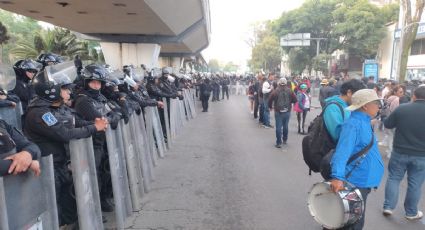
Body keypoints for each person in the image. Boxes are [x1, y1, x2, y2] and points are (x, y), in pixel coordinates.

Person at [24, 69, 108, 227]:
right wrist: (94, 128)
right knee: (55, 211)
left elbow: (75, 122)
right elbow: (64, 133)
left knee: (69, 208)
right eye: (64, 88)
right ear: (52, 91)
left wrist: (96, 123)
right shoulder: (40, 113)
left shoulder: (55, 108)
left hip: (60, 165)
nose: (69, 91)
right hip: (49, 169)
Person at [330, 89, 384, 230]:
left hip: (362, 181)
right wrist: (337, 177)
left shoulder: (364, 121)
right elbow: (342, 153)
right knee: (352, 223)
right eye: (376, 103)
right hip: (355, 181)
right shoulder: (353, 124)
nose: (379, 106)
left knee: (353, 220)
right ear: (365, 106)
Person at [73, 64, 121, 212]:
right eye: (93, 82)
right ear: (86, 83)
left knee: (105, 171)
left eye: (99, 82)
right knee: (94, 174)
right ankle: (94, 207)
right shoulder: (83, 100)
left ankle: (102, 199)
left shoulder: (100, 97)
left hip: (103, 141)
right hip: (91, 143)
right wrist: (111, 118)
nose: (96, 85)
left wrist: (112, 117)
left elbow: (116, 111)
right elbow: (100, 119)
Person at [382, 86, 425, 221]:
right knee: (415, 183)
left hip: (400, 151)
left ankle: (388, 207)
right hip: (421, 154)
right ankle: (411, 212)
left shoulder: (402, 108)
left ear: (413, 96)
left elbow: (388, 124)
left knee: (394, 178)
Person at [268, 77, 296, 148]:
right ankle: (285, 139)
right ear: (286, 83)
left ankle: (278, 143)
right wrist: (289, 103)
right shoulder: (290, 91)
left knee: (278, 127)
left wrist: (270, 107)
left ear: (279, 83)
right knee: (285, 126)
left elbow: (270, 99)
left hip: (278, 111)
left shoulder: (275, 91)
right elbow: (295, 100)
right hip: (287, 111)